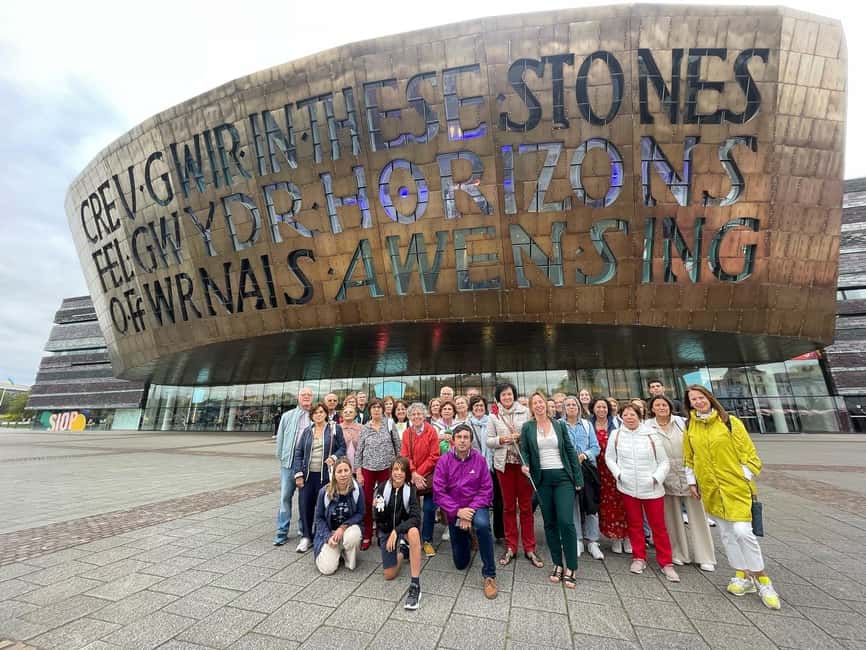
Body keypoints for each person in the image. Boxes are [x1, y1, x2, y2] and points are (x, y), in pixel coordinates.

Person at [683, 385, 780, 609]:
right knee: (726, 533)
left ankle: (762, 579)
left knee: (743, 531)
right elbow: (689, 457)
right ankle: (742, 575)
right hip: (710, 487)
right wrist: (692, 481)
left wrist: (744, 475)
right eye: (693, 400)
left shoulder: (730, 422)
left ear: (710, 398)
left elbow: (750, 454)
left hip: (735, 486)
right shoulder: (690, 426)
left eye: (701, 397)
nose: (698, 402)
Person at [605, 403, 679, 581]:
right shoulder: (616, 434)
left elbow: (664, 462)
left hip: (651, 488)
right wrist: (619, 475)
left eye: (633, 414)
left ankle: (666, 562)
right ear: (621, 416)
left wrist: (656, 478)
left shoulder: (651, 434)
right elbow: (609, 457)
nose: (629, 418)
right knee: (635, 524)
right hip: (628, 486)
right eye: (626, 414)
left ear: (640, 416)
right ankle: (639, 557)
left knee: (658, 527)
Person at [519, 391, 583, 588]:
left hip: (563, 478)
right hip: (542, 480)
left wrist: (578, 478)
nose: (538, 405)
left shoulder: (559, 425)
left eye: (541, 402)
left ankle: (571, 566)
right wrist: (525, 465)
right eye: (534, 403)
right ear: (531, 407)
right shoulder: (527, 427)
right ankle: (557, 563)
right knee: (550, 523)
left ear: (547, 405)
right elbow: (525, 451)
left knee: (566, 521)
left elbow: (570, 451)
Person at [647, 395, 715, 572]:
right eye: (658, 405)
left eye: (664, 404)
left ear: (670, 407)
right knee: (671, 517)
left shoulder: (683, 422)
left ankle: (705, 556)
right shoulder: (648, 426)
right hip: (665, 476)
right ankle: (679, 553)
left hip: (688, 473)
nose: (662, 408)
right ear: (652, 409)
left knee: (698, 517)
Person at [433, 423, 498, 599]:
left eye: (466, 438)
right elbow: (439, 492)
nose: (462, 441)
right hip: (455, 509)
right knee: (461, 563)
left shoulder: (479, 460)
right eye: (459, 437)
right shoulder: (444, 461)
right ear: (453, 440)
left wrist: (469, 510)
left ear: (470, 441)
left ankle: (489, 575)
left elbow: (487, 489)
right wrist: (457, 511)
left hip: (476, 506)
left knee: (483, 525)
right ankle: (469, 537)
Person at [486, 382, 541, 568]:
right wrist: (502, 439)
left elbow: (533, 435)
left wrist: (520, 437)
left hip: (523, 465)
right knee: (508, 507)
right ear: (498, 398)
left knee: (526, 507)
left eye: (509, 394)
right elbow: (489, 441)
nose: (507, 398)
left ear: (514, 395)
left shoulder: (525, 411)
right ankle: (511, 546)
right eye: (503, 395)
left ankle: (529, 547)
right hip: (504, 465)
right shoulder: (493, 415)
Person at [293, 402, 346, 553]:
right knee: (305, 506)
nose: (318, 414)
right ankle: (306, 537)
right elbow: (299, 453)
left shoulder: (334, 429)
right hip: (308, 475)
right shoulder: (307, 431)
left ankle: (321, 534)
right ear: (312, 416)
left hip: (325, 476)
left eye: (321, 412)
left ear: (325, 414)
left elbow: (343, 447)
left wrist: (334, 457)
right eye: (315, 413)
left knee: (324, 507)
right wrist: (298, 474)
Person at [373, 456, 423, 609]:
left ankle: (415, 585)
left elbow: (415, 518)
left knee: (414, 532)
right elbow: (378, 520)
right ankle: (402, 552)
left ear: (407, 473)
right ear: (391, 471)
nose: (399, 473)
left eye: (402, 470)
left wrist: (398, 530)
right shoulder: (382, 488)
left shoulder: (411, 490)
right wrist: (377, 509)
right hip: (388, 530)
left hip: (403, 529)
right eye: (396, 469)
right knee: (389, 574)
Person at [356, 399, 402, 550]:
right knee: (368, 502)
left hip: (386, 468)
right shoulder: (365, 428)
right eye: (373, 407)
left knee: (385, 500)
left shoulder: (389, 424)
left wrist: (398, 468)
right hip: (367, 469)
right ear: (369, 410)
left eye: (379, 407)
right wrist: (358, 471)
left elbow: (398, 446)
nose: (376, 410)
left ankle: (384, 532)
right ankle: (368, 533)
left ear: (383, 409)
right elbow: (359, 451)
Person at [562, 396, 604, 560]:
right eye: (568, 405)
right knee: (573, 505)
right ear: (563, 408)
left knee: (590, 504)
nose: (571, 407)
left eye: (574, 404)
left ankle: (593, 541)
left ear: (579, 408)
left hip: (587, 470)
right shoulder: (559, 425)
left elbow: (596, 447)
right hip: (569, 471)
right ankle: (577, 539)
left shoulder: (587, 425)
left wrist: (584, 455)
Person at [273, 387, 313, 546]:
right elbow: (280, 438)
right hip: (288, 465)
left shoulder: (315, 415)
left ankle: (304, 530)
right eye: (304, 395)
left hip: (307, 465)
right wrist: (282, 458)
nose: (306, 397)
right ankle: (282, 532)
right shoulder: (287, 416)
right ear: (298, 398)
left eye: (309, 395)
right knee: (285, 497)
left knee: (306, 499)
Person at [400, 402, 441, 557]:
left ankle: (427, 540)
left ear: (424, 416)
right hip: (413, 476)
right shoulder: (407, 433)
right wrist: (414, 473)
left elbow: (434, 456)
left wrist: (420, 474)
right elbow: (405, 455)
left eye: (419, 414)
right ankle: (413, 539)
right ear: (410, 417)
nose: (416, 417)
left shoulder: (431, 431)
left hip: (429, 476)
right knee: (413, 509)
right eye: (413, 414)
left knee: (429, 508)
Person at [591, 398, 630, 554]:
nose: (601, 410)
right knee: (607, 506)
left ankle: (627, 537)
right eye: (598, 407)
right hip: (598, 471)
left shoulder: (617, 424)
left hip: (617, 469)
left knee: (623, 503)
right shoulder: (588, 425)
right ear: (593, 409)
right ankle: (615, 537)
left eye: (604, 407)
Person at [313, 457, 364, 575]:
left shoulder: (357, 490)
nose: (343, 474)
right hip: (330, 532)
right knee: (327, 569)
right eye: (339, 471)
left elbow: (360, 513)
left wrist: (343, 527)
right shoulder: (324, 492)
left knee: (353, 536)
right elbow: (319, 518)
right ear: (334, 474)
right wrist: (327, 537)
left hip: (348, 529)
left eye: (346, 470)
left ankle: (346, 554)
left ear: (351, 472)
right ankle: (336, 551)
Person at [469, 395, 504, 543]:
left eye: (481, 406)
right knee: (475, 499)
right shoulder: (467, 423)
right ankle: (477, 530)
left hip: (492, 465)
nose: (479, 408)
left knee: (497, 500)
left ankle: (499, 533)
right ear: (472, 408)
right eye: (476, 406)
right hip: (474, 468)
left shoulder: (492, 421)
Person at [341, 403, 362, 468]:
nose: (348, 413)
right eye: (345, 412)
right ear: (342, 414)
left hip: (358, 462)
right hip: (342, 462)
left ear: (355, 414)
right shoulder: (336, 428)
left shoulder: (362, 427)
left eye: (351, 412)